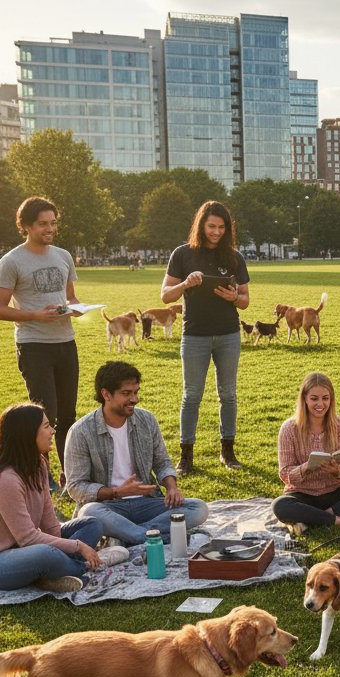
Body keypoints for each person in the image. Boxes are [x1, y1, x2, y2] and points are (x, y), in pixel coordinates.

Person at [0, 197, 88, 484]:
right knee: (45, 417)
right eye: (43, 224)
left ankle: (70, 475)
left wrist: (77, 308)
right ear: (26, 226)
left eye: (53, 223)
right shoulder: (11, 261)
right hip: (34, 345)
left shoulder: (63, 256)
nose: (50, 229)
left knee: (68, 414)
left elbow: (70, 297)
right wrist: (35, 314)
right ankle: (41, 478)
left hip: (66, 343)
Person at [0, 403, 104, 593]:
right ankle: (84, 567)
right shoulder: (4, 480)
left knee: (92, 524)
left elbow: (49, 524)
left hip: (24, 550)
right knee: (45, 554)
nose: (52, 431)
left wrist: (65, 547)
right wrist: (78, 546)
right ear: (28, 434)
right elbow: (28, 538)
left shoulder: (38, 465)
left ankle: (52, 572)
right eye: (46, 426)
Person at [64, 361, 208, 545]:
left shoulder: (146, 420)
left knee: (198, 507)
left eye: (136, 392)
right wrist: (116, 492)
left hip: (147, 502)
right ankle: (151, 535)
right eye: (126, 393)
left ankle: (131, 534)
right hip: (108, 506)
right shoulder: (81, 431)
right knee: (89, 512)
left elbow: (162, 462)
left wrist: (172, 487)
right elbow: (76, 487)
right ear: (106, 394)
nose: (134, 399)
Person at [160, 200, 250, 473]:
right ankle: (186, 456)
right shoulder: (182, 254)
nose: (216, 232)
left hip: (228, 334)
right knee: (191, 396)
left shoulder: (234, 257)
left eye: (222, 227)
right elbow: (165, 296)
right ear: (201, 225)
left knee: (228, 394)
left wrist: (234, 297)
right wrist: (186, 283)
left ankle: (228, 452)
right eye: (211, 226)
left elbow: (245, 300)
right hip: (195, 335)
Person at [273, 371, 340, 530]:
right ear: (304, 398)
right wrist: (307, 467)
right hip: (301, 494)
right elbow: (285, 475)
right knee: (280, 506)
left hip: (334, 493)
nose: (320, 404)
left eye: (325, 398)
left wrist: (336, 470)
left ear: (331, 399)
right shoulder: (289, 428)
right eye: (314, 398)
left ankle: (313, 518)